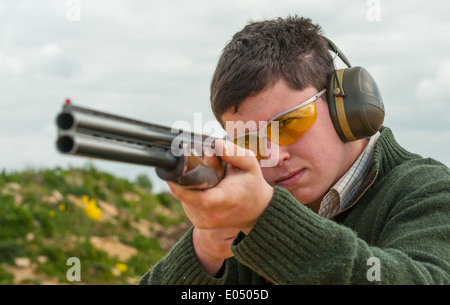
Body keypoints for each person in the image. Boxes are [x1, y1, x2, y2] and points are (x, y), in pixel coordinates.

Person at [139, 16, 450, 284]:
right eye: (249, 141)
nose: (273, 155)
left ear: (343, 104)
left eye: (288, 123)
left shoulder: (430, 191)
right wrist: (205, 251)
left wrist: (266, 218)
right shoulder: (249, 213)